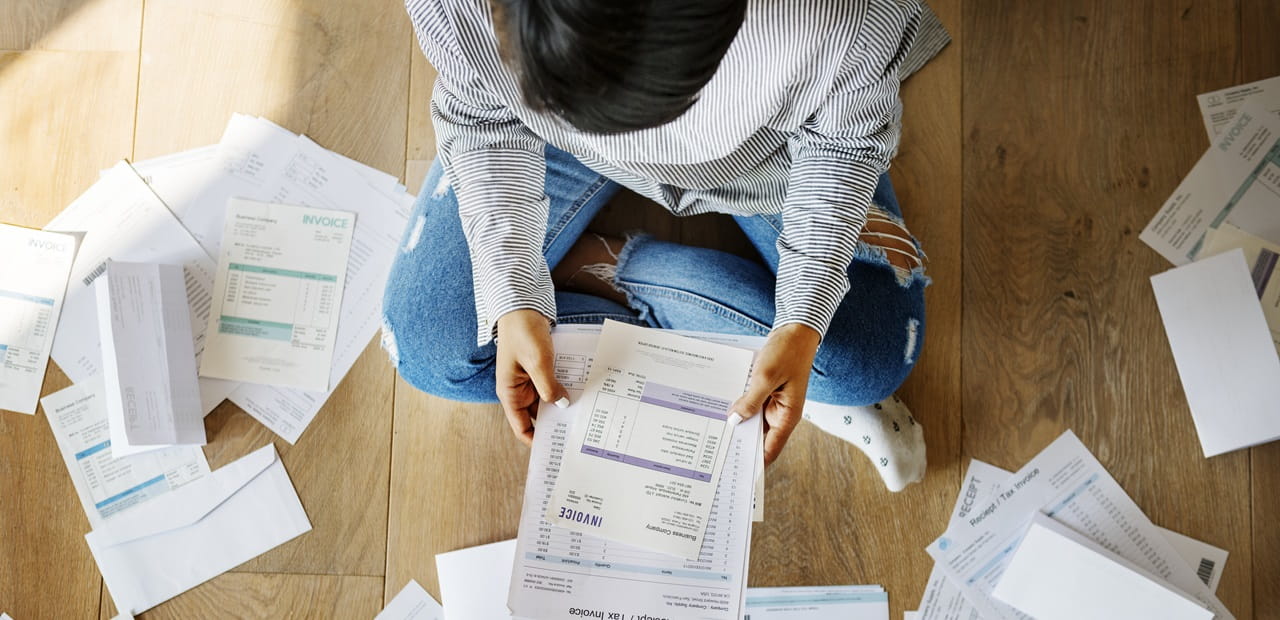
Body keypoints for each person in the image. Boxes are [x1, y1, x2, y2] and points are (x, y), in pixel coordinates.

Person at [382, 0, 931, 491]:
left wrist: (802, 322)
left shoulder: (843, 18)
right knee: (431, 348)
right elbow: (480, 117)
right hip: (549, 141)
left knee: (872, 359)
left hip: (767, 156)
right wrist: (512, 292)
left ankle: (595, 266)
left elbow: (843, 143)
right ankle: (746, 354)